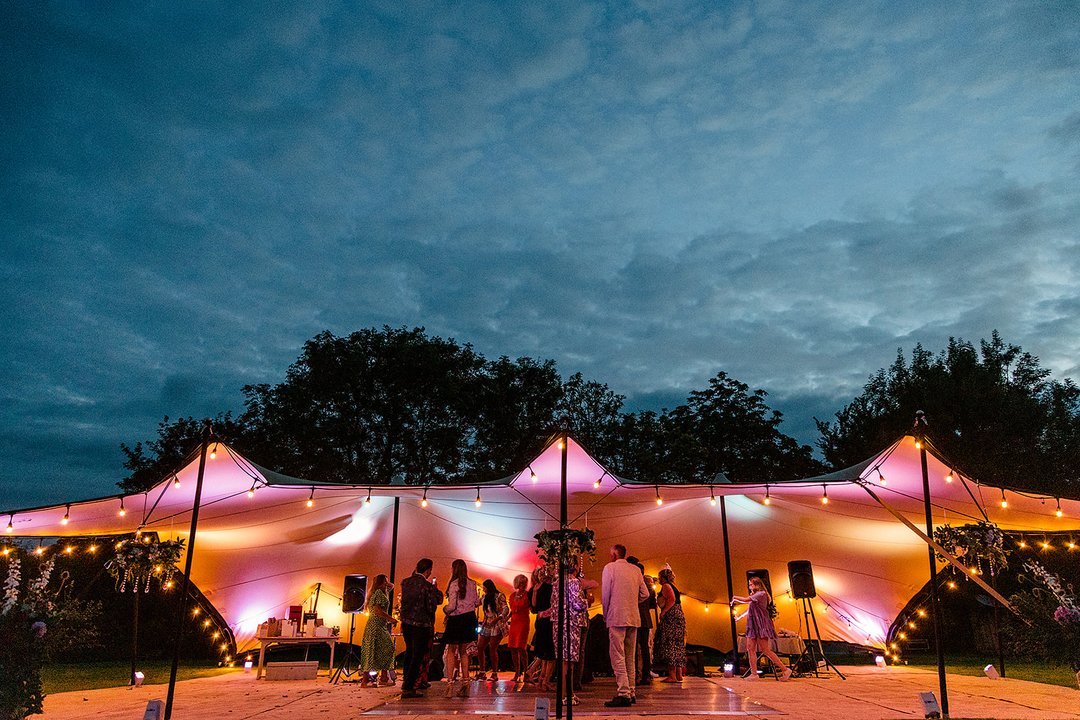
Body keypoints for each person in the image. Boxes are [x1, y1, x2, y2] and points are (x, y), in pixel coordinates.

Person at [601, 544, 649, 708]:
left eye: (610, 553)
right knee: (630, 655)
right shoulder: (635, 570)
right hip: (633, 617)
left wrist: (606, 613)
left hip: (616, 616)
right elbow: (646, 594)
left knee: (618, 655)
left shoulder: (610, 568)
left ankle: (623, 693)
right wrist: (632, 602)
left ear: (614, 554)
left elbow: (606, 594)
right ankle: (631, 691)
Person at [731, 576, 792, 681]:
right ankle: (754, 674)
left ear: (757, 585)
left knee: (765, 650)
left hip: (761, 624)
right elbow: (750, 608)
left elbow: (746, 600)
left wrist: (735, 597)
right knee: (750, 648)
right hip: (753, 624)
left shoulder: (761, 594)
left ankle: (785, 669)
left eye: (751, 584)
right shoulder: (755, 595)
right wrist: (740, 616)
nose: (749, 586)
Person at [398, 558, 444, 698]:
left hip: (406, 622)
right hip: (421, 624)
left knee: (409, 652)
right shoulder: (427, 586)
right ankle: (409, 686)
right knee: (417, 655)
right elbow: (431, 606)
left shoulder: (405, 582)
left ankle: (406, 680)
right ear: (428, 570)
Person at [550, 559, 590, 706]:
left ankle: (569, 693)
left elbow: (553, 603)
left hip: (557, 624)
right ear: (574, 566)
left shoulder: (556, 582)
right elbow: (577, 604)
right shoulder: (573, 582)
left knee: (563, 660)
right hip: (571, 624)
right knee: (568, 662)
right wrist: (587, 601)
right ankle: (564, 695)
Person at [443, 559, 480, 697]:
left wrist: (445, 610)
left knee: (451, 651)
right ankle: (465, 684)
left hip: (456, 619)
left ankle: (450, 685)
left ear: (454, 569)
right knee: (464, 651)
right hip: (469, 619)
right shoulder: (473, 583)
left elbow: (452, 606)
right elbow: (476, 602)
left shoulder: (453, 584)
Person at [359, 574, 398, 687]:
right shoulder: (379, 594)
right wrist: (391, 619)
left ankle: (384, 677)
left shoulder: (378, 592)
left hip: (378, 625)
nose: (387, 583)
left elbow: (392, 586)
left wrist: (385, 583)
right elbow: (377, 610)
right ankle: (367, 680)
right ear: (381, 582)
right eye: (385, 581)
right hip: (376, 624)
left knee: (379, 648)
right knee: (382, 648)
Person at [626, 556, 656, 685]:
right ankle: (646, 675)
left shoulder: (635, 583)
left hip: (636, 618)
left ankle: (636, 676)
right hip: (646, 619)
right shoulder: (649, 586)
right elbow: (652, 604)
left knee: (634, 648)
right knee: (645, 648)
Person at [656, 566, 687, 682]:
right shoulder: (674, 586)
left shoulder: (666, 586)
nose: (658, 580)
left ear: (663, 577)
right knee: (678, 643)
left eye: (659, 577)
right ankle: (679, 674)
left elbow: (671, 600)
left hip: (671, 616)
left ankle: (672, 675)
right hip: (678, 615)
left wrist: (663, 612)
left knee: (671, 643)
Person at [529, 565, 556, 690]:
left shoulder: (532, 590)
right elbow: (554, 605)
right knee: (550, 654)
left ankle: (541, 679)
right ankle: (545, 680)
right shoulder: (549, 588)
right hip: (549, 622)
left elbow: (533, 609)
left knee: (544, 654)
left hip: (539, 621)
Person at [476, 579, 510, 680]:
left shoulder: (499, 596)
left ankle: (494, 673)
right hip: (487, 623)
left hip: (497, 623)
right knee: (480, 646)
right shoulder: (484, 597)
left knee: (492, 648)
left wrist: (498, 618)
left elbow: (505, 609)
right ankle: (482, 671)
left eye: (484, 587)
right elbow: (476, 603)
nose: (483, 589)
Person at [507, 574, 532, 683]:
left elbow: (532, 607)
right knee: (512, 647)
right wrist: (505, 618)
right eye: (521, 583)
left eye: (524, 583)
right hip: (514, 622)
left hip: (523, 622)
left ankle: (526, 672)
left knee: (521, 647)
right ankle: (517, 672)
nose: (522, 585)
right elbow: (511, 610)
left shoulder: (528, 595)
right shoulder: (512, 596)